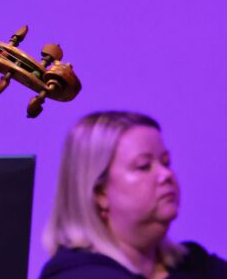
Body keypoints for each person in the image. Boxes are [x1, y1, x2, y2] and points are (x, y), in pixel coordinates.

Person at [41, 111, 227, 278]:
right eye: (144, 166)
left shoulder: (196, 265)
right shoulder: (77, 274)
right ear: (100, 193)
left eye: (166, 162)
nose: (166, 175)